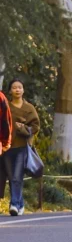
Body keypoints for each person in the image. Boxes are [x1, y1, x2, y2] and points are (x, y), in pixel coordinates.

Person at [1, 79, 40, 217]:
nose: (17, 90)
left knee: (17, 176)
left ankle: (14, 205)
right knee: (11, 177)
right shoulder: (6, 106)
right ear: (10, 91)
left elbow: (35, 126)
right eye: (14, 87)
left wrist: (24, 129)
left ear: (23, 90)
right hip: (7, 147)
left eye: (19, 87)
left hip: (22, 146)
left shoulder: (29, 108)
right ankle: (21, 203)